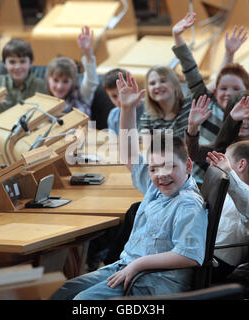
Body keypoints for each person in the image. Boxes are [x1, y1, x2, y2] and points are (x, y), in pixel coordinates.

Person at [51, 72, 207, 299]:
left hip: (154, 282)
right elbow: (129, 153)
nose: (161, 174)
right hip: (128, 268)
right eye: (154, 169)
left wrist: (138, 265)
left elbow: (190, 256)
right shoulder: (158, 187)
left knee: (83, 301)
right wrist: (127, 108)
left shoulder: (187, 203)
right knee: (63, 292)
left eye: (169, 166)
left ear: (189, 166)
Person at [140, 12, 249, 183]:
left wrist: (228, 54)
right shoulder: (202, 103)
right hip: (188, 178)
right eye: (152, 83)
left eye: (162, 81)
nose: (227, 93)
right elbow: (150, 154)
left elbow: (206, 73)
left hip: (220, 178)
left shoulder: (195, 103)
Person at [205, 141, 249, 282]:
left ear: (241, 165)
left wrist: (228, 172)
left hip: (216, 263)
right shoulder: (229, 191)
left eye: (226, 160)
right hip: (205, 253)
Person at [185, 91, 249, 164]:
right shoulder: (223, 145)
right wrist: (192, 127)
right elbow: (194, 154)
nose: (243, 122)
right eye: (239, 116)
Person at [45, 26, 99, 118]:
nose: (59, 86)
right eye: (55, 80)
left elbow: (91, 81)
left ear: (73, 81)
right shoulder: (44, 101)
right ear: (48, 79)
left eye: (65, 81)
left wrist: (87, 53)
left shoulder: (82, 94)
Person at [104, 68, 145, 135]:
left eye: (124, 94)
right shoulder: (113, 115)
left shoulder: (151, 108)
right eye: (114, 96)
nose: (120, 100)